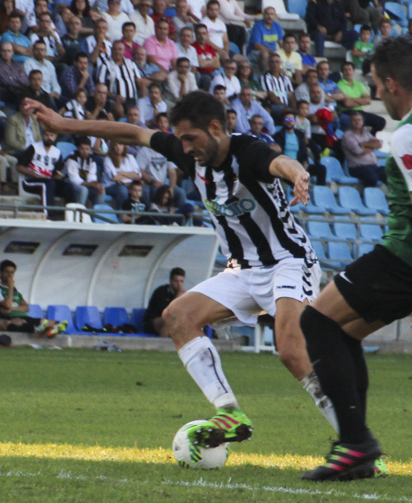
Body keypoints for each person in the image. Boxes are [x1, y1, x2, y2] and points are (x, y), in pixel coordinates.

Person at [25, 90, 345, 459]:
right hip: (242, 270)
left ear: (215, 127)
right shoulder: (186, 149)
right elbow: (132, 133)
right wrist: (64, 125)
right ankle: (230, 413)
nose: (185, 147)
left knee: (290, 350)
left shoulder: (248, 152)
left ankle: (354, 441)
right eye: (180, 139)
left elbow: (280, 163)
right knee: (177, 315)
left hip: (288, 261)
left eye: (190, 138)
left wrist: (299, 174)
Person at [299, 36, 412, 481]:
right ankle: (355, 447)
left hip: (407, 259)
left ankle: (356, 443)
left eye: (375, 84)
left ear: (392, 84)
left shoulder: (409, 134)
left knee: (315, 322)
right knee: (342, 333)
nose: (375, 93)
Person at [0, 259, 67, 336]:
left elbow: (26, 308)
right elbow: (7, 305)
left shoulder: (16, 291)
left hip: (24, 315)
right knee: (21, 323)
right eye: (7, 272)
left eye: (12, 272)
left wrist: (12, 308)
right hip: (12, 317)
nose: (10, 275)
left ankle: (48, 328)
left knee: (53, 322)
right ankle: (40, 329)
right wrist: (10, 287)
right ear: (1, 273)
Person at [17, 130, 75, 219]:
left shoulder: (57, 152)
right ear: (43, 135)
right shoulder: (34, 147)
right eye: (47, 135)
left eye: (52, 135)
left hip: (49, 181)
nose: (49, 138)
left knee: (68, 186)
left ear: (56, 137)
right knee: (47, 184)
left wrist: (59, 176)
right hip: (30, 181)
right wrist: (34, 174)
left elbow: (56, 172)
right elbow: (19, 167)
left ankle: (71, 216)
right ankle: (48, 215)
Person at [274, 109, 326, 185]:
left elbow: (304, 152)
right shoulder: (278, 136)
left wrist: (305, 162)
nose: (289, 121)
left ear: (295, 121)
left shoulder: (299, 135)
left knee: (321, 169)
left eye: (291, 119)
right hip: (286, 166)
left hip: (299, 165)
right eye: (287, 119)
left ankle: (320, 192)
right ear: (283, 121)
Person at [337, 61, 385, 133]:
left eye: (349, 69)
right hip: (347, 112)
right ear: (342, 72)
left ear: (353, 71)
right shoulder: (339, 85)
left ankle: (370, 138)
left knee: (381, 122)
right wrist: (361, 101)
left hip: (360, 112)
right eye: (345, 70)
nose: (348, 72)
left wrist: (351, 99)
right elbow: (347, 103)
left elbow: (368, 101)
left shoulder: (359, 84)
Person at [341, 111, 384, 187]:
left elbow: (379, 144)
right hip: (357, 168)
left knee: (389, 174)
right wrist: (371, 146)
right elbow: (358, 151)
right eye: (354, 120)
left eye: (359, 120)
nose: (357, 122)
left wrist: (362, 144)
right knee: (372, 177)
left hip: (372, 166)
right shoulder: (347, 135)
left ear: (363, 122)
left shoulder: (366, 133)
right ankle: (369, 197)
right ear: (350, 122)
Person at [144, 267, 186, 336]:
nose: (179, 285)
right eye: (176, 281)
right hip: (153, 321)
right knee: (169, 319)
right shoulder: (161, 292)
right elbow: (167, 312)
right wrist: (177, 299)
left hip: (174, 322)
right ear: (171, 281)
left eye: (181, 281)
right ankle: (162, 345)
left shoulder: (183, 294)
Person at [64, 135, 103, 206]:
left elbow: (91, 176)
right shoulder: (72, 158)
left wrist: (96, 185)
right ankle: (79, 212)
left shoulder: (91, 159)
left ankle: (97, 214)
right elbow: (74, 179)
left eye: (87, 149)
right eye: (82, 149)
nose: (85, 151)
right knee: (83, 190)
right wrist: (91, 184)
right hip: (68, 184)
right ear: (78, 148)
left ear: (90, 149)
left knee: (101, 190)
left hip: (84, 184)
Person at [246, 6, 283, 72]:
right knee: (265, 53)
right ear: (263, 15)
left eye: (272, 14)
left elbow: (281, 42)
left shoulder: (277, 26)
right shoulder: (258, 26)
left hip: (272, 52)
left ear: (275, 16)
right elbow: (257, 45)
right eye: (267, 14)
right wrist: (272, 52)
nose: (269, 16)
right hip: (255, 52)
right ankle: (265, 75)